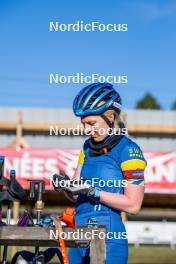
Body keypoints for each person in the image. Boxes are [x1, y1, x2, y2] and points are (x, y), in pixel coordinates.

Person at [60, 82, 147, 264]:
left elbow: (133, 205)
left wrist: (93, 191)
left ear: (110, 116)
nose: (87, 130)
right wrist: (67, 187)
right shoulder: (86, 148)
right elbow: (78, 195)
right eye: (83, 124)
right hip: (77, 232)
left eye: (92, 123)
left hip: (108, 235)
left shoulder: (129, 150)